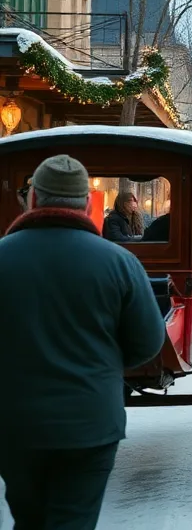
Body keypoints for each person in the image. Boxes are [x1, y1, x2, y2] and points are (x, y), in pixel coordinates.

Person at [0, 155, 165, 529]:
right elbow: (146, 344)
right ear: (88, 205)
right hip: (90, 422)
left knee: (28, 518)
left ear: (34, 199)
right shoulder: (119, 262)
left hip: (13, 422)